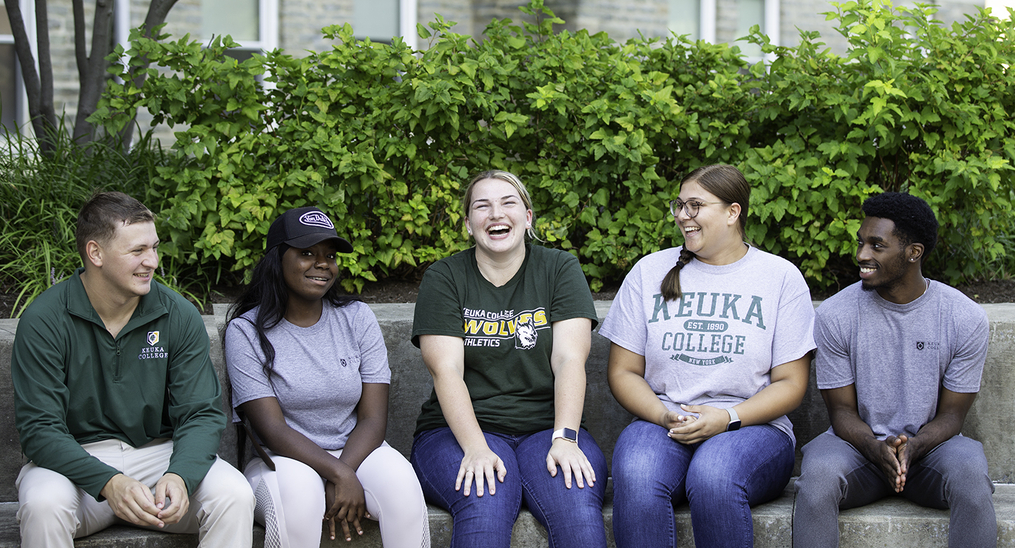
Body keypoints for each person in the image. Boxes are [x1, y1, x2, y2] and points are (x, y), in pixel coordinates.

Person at [11, 191, 254, 548]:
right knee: (43, 504)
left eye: (154, 248)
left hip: (161, 457)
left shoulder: (177, 314)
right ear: (95, 253)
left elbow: (200, 413)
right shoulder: (45, 319)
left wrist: (181, 474)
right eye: (137, 251)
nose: (152, 261)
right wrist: (109, 482)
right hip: (76, 465)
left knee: (234, 495)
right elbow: (39, 429)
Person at [600, 164, 815, 548]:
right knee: (636, 472)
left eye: (695, 206)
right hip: (663, 419)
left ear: (733, 212)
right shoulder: (649, 272)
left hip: (753, 427)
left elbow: (791, 384)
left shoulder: (779, 278)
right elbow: (623, 372)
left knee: (713, 477)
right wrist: (662, 413)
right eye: (679, 205)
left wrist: (728, 417)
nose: (683, 216)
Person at [409, 170, 607, 548]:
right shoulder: (445, 276)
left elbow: (569, 360)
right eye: (482, 206)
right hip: (458, 432)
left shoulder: (559, 269)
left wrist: (565, 438)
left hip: (546, 429)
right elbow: (446, 370)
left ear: (528, 217)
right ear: (468, 224)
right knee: (485, 500)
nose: (496, 214)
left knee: (576, 507)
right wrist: (476, 447)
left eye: (508, 203)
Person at [793, 191, 996, 547]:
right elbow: (841, 411)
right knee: (818, 476)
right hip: (857, 449)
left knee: (970, 473)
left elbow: (951, 417)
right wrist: (876, 448)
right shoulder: (835, 315)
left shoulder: (964, 318)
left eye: (876, 246)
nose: (861, 255)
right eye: (861, 243)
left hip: (932, 450)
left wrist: (914, 447)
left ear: (913, 252)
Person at [225, 206, 430, 547]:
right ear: (277, 259)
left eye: (330, 256)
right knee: (302, 498)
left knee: (403, 487)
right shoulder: (246, 331)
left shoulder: (356, 318)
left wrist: (344, 471)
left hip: (356, 451)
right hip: (282, 460)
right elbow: (272, 430)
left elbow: (373, 418)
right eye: (306, 253)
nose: (322, 264)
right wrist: (336, 473)